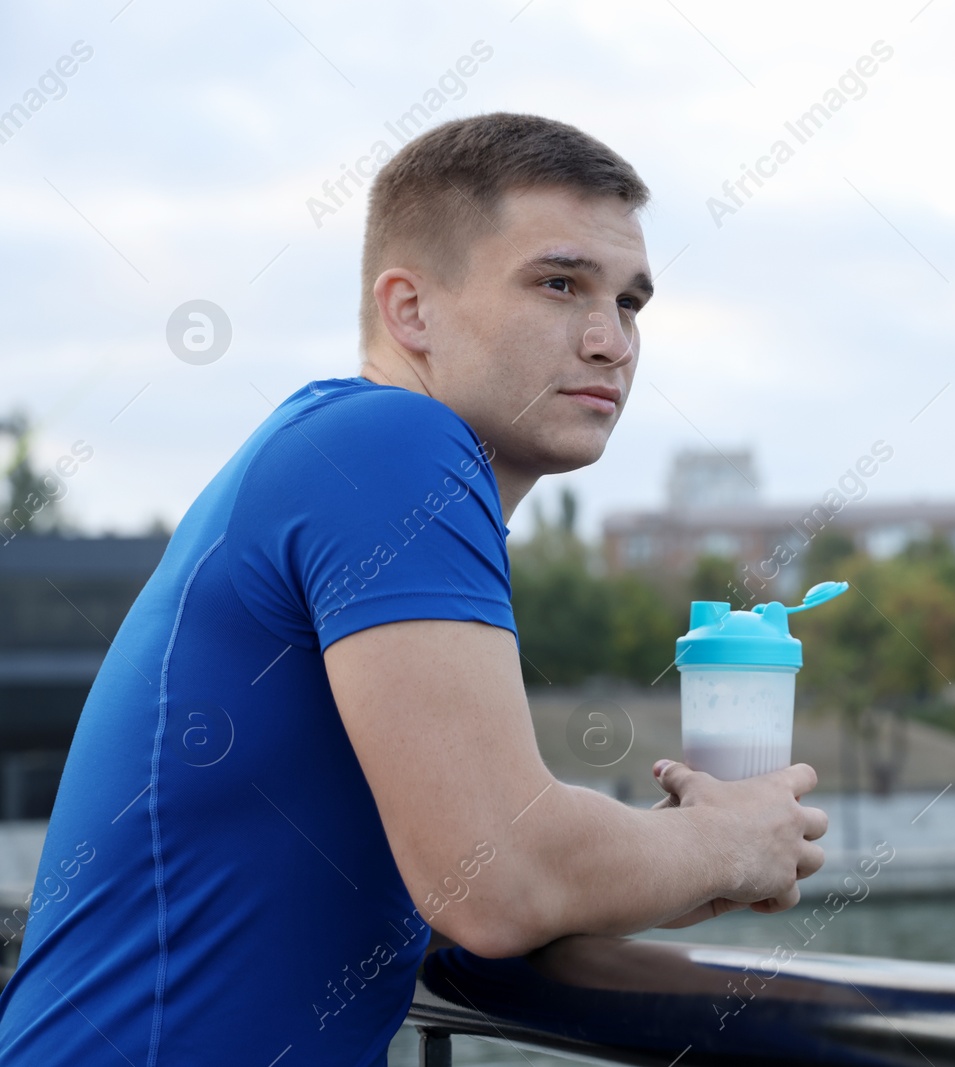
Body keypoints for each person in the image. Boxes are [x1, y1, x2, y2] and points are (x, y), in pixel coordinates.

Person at [0, 112, 827, 1065]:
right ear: (410, 311)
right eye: (560, 284)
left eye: (631, 302)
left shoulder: (344, 455)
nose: (611, 341)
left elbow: (467, 856)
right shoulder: (390, 447)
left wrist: (673, 855)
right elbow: (496, 877)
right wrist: (732, 842)